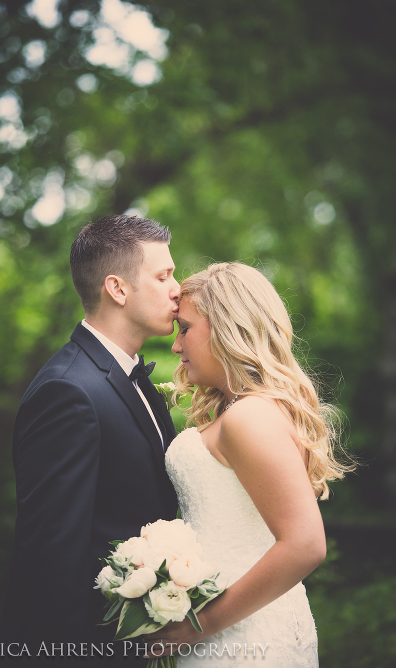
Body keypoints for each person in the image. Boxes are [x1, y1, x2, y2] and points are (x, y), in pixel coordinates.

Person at [144, 262, 353, 667]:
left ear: (226, 326)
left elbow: (305, 544)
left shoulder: (250, 417)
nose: (175, 345)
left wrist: (196, 626)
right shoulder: (245, 409)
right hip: (239, 625)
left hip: (240, 637)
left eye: (184, 328)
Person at [0, 215, 180, 666]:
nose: (179, 287)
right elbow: (50, 558)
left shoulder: (128, 378)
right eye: (164, 276)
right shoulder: (68, 391)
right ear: (117, 289)